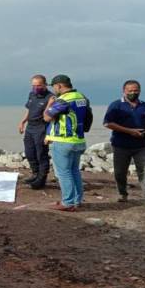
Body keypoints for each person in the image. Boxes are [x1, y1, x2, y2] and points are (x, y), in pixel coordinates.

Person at [103, 79, 145, 212]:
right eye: (130, 91)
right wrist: (129, 131)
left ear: (139, 91)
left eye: (136, 90)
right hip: (121, 145)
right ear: (124, 91)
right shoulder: (116, 105)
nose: (133, 93)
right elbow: (107, 123)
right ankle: (122, 193)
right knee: (120, 173)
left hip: (142, 145)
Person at [43, 74, 93, 211]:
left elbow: (47, 117)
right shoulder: (81, 97)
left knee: (64, 173)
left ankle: (68, 202)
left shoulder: (64, 100)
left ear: (59, 86)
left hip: (63, 141)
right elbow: (89, 116)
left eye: (54, 87)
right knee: (74, 171)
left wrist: (49, 104)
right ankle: (77, 200)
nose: (53, 90)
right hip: (79, 139)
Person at [18, 74, 55, 189]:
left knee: (41, 154)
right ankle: (35, 173)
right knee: (29, 153)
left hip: (42, 128)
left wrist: (49, 135)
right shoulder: (32, 94)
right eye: (33, 85)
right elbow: (29, 110)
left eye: (38, 85)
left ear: (44, 84)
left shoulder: (51, 97)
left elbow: (50, 117)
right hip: (30, 127)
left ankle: (41, 179)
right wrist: (23, 122)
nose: (36, 88)